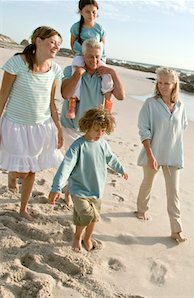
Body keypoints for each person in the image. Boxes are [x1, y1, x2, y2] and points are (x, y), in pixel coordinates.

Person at [0, 26, 64, 221]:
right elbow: (3, 96)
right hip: (15, 125)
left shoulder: (55, 69)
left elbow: (52, 101)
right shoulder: (17, 63)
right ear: (38, 40)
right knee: (20, 171)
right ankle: (12, 176)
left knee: (31, 170)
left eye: (58, 44)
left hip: (41, 127)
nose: (56, 47)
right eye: (52, 42)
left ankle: (23, 208)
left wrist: (59, 128)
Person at [48, 107, 128, 252]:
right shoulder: (78, 146)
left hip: (96, 190)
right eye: (96, 130)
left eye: (103, 130)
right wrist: (56, 188)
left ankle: (87, 237)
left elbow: (111, 158)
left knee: (94, 219)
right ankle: (78, 237)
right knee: (86, 214)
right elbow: (65, 167)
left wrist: (121, 169)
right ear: (87, 126)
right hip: (78, 189)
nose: (100, 134)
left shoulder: (103, 144)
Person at [60, 37, 125, 206]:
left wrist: (113, 73)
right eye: (90, 57)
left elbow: (121, 96)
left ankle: (70, 190)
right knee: (75, 162)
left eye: (97, 56)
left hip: (93, 129)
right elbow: (66, 94)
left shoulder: (103, 75)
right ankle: (70, 193)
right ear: (83, 56)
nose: (94, 60)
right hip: (71, 126)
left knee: (85, 163)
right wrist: (78, 74)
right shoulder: (70, 69)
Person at [136, 67, 188, 243]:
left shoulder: (181, 106)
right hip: (153, 154)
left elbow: (183, 128)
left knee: (174, 192)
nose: (163, 86)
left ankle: (176, 229)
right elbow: (144, 131)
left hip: (173, 156)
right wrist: (150, 155)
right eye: (160, 82)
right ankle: (141, 209)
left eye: (167, 83)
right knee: (147, 183)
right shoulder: (150, 104)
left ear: (174, 85)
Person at [67, 0, 114, 119]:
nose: (91, 15)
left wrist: (99, 62)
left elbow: (102, 47)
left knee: (107, 75)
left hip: (97, 57)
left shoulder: (100, 28)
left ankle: (107, 105)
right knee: (75, 70)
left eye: (94, 12)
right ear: (81, 12)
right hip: (81, 55)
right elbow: (72, 44)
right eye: (87, 12)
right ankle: (72, 102)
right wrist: (82, 56)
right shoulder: (76, 27)